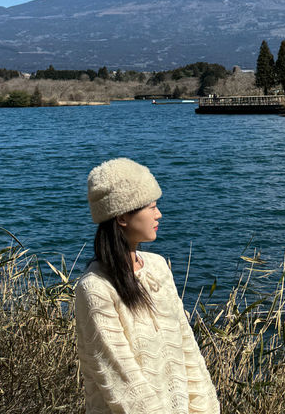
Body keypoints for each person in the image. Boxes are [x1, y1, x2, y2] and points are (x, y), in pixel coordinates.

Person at [75, 157, 220, 414]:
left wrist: (206, 408)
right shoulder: (95, 288)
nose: (159, 214)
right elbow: (122, 382)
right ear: (121, 216)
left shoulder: (158, 267)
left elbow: (186, 349)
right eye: (151, 207)